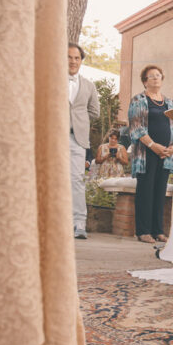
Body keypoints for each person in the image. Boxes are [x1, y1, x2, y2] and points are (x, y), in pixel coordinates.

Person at [128, 65, 173, 244]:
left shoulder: (169, 103)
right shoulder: (138, 100)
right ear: (145, 81)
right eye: (152, 76)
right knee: (145, 191)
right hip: (146, 152)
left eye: (158, 75)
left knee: (160, 192)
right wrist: (153, 145)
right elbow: (136, 126)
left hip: (166, 154)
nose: (156, 78)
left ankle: (158, 230)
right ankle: (143, 231)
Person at [68, 43, 100, 239]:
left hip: (77, 139)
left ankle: (79, 223)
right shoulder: (51, 80)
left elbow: (94, 112)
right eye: (69, 57)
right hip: (53, 136)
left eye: (76, 58)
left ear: (81, 61)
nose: (73, 61)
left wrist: (78, 120)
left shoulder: (88, 85)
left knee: (76, 181)